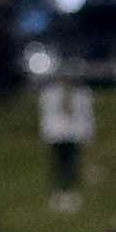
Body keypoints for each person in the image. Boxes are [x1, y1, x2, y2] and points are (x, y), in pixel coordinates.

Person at [38, 75, 93, 213]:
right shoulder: (49, 94)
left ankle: (70, 193)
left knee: (72, 165)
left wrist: (87, 134)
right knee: (58, 165)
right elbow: (46, 115)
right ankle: (58, 193)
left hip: (73, 134)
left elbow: (87, 115)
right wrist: (46, 134)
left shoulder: (81, 94)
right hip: (57, 135)